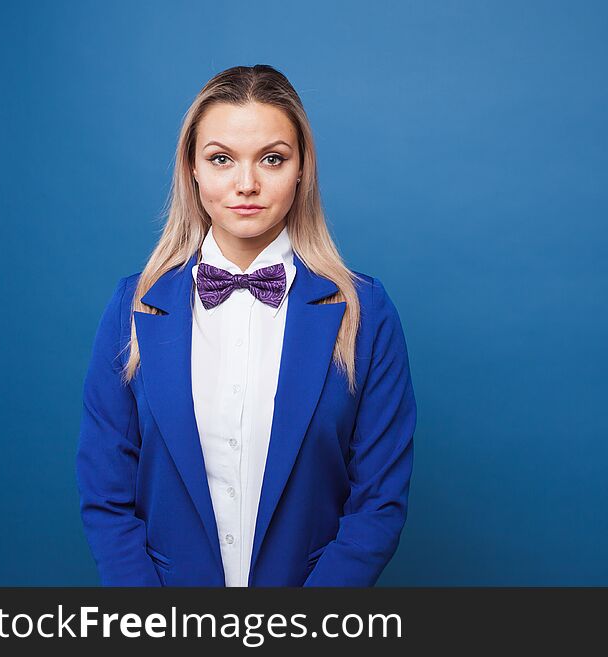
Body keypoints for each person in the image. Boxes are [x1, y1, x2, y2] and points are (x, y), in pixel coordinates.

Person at [75, 65, 416, 587]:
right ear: (192, 168)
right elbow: (106, 496)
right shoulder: (133, 306)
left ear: (302, 169)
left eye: (272, 159)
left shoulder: (365, 312)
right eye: (221, 159)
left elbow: (379, 504)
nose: (246, 184)